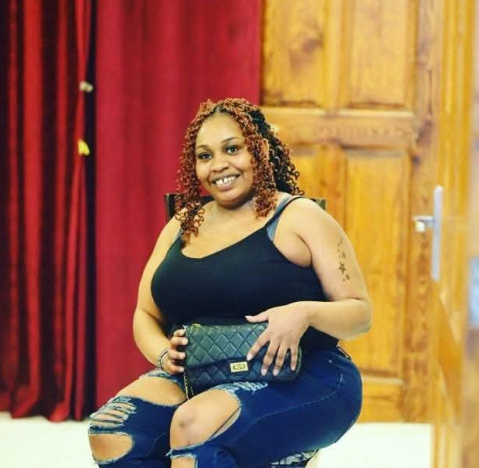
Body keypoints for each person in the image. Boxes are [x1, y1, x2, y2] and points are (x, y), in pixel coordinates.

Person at [88, 98, 372, 468]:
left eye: (233, 149)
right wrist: (163, 354)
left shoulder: (298, 216)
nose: (219, 164)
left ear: (261, 150)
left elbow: (359, 314)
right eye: (205, 156)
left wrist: (304, 314)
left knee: (194, 426)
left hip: (307, 375)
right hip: (203, 372)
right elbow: (146, 313)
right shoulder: (183, 223)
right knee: (113, 433)